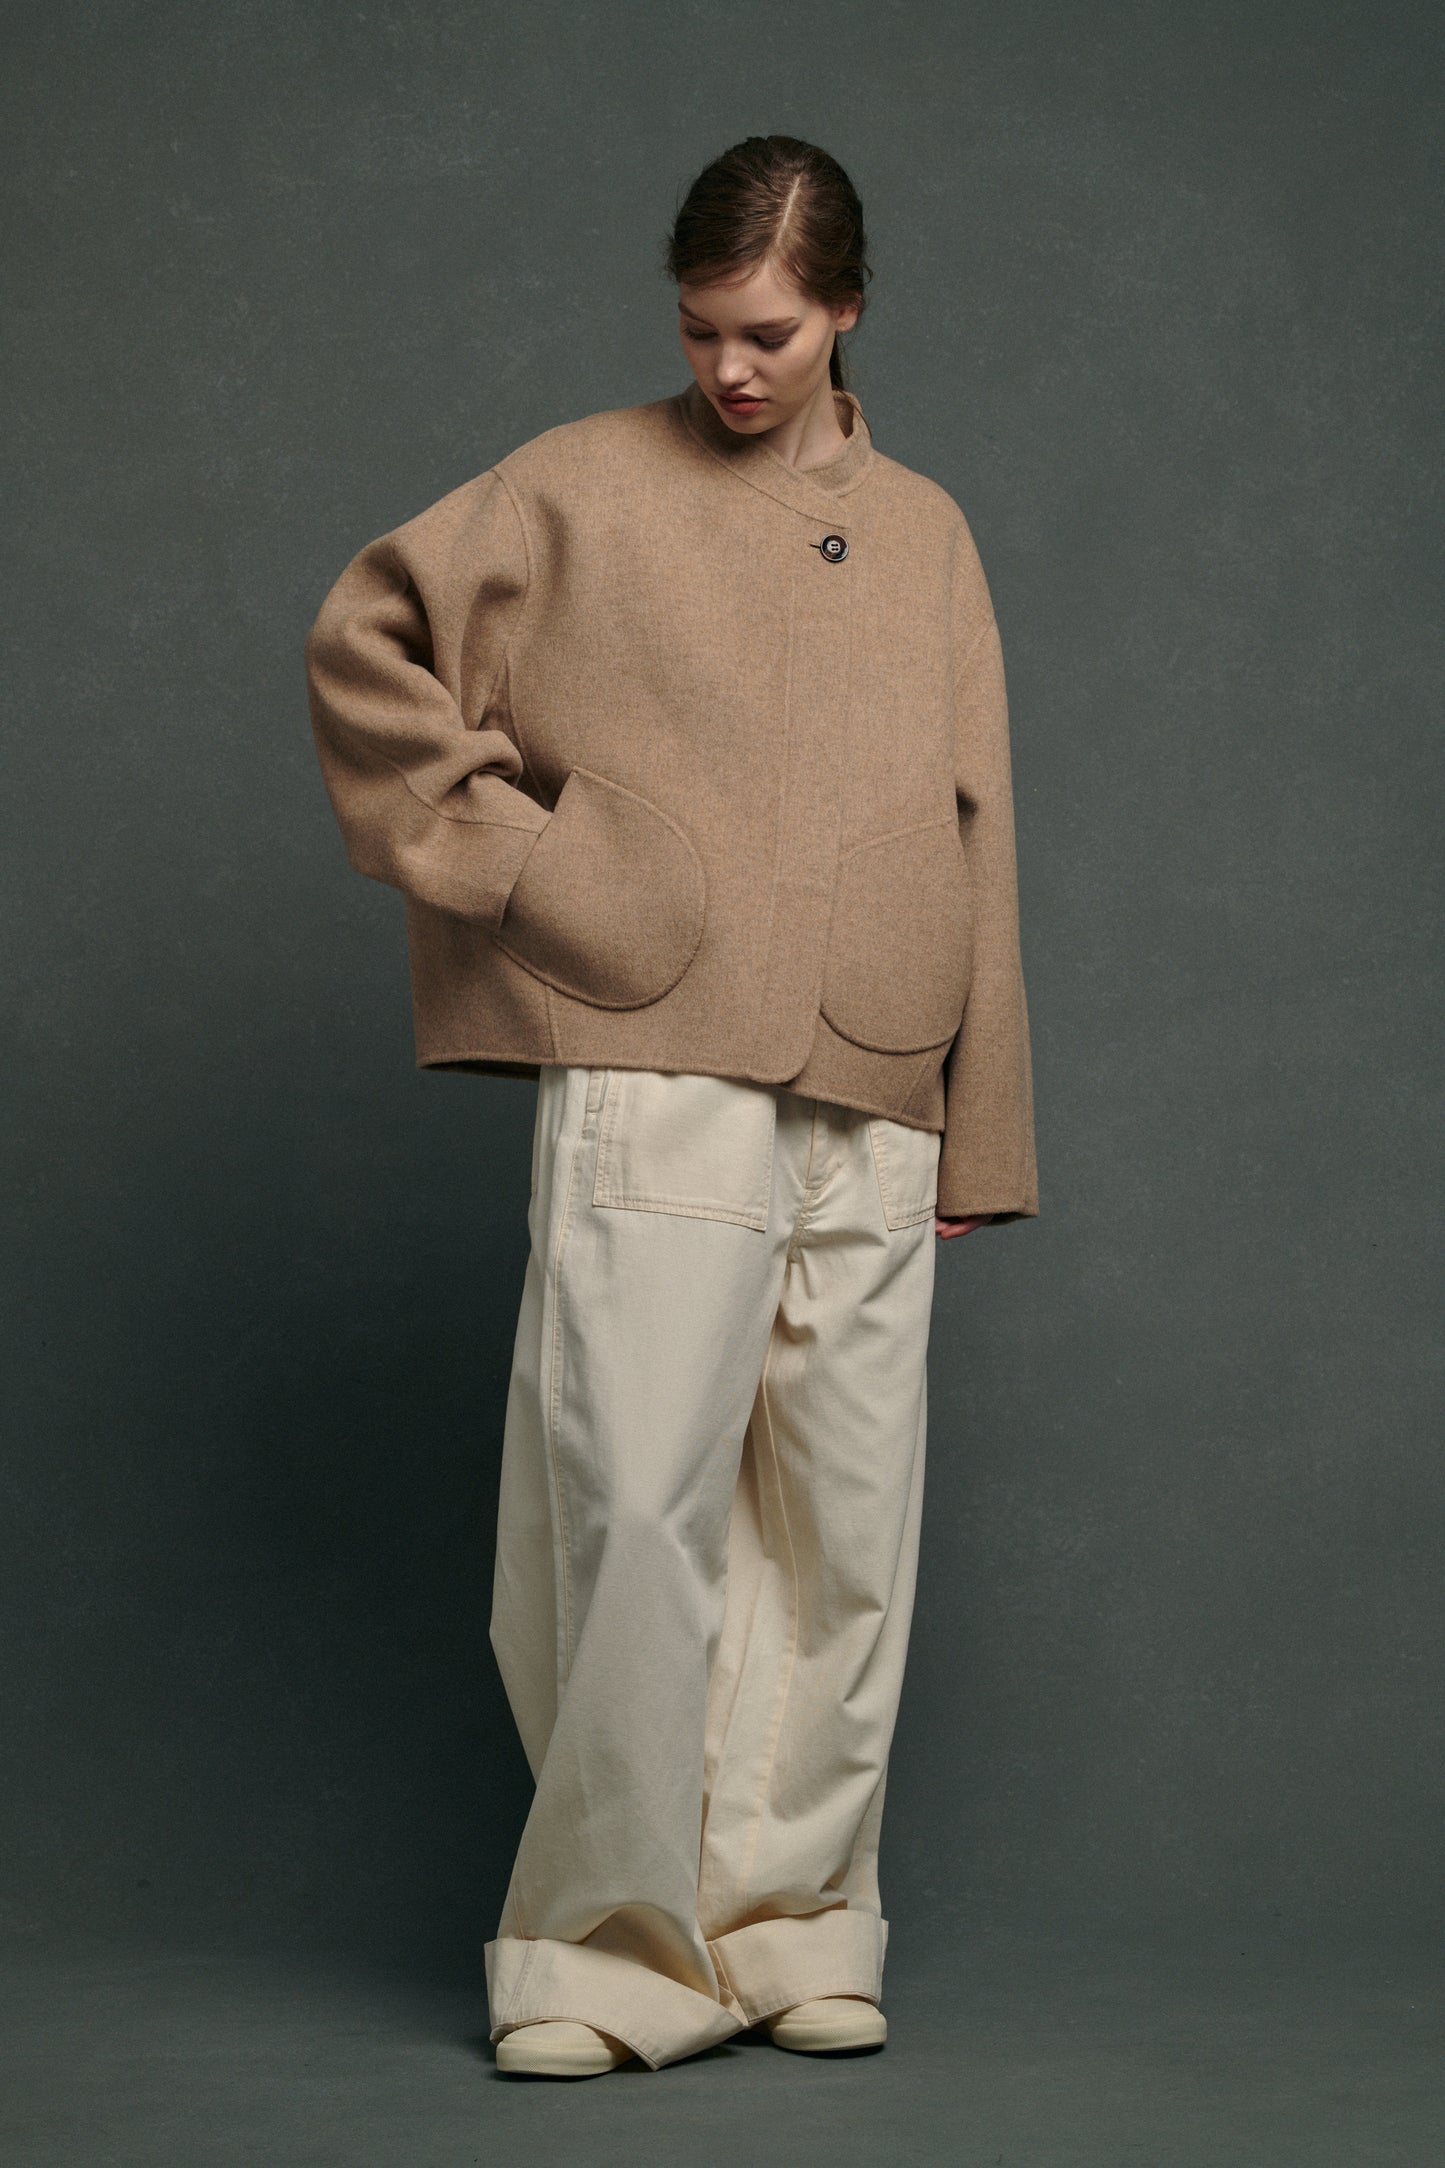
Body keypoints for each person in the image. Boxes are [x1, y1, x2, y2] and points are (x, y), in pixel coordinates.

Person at [303, 133, 1038, 2078]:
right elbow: (367, 643)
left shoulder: (929, 529)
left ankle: (799, 1925)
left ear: (847, 310)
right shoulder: (580, 484)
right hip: (655, 1058)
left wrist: (983, 1118)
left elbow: (981, 826)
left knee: (846, 1522)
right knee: (629, 1504)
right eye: (703, 328)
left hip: (881, 1067)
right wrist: (540, 869)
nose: (730, 367)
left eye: (769, 332)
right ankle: (600, 1949)